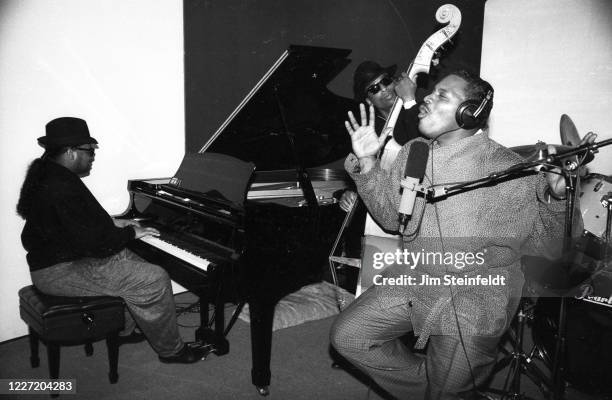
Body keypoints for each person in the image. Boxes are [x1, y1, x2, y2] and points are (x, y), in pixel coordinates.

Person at [330, 70, 596, 399]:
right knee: (350, 335)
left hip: (478, 294)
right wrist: (368, 163)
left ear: (470, 112)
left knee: (450, 383)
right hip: (417, 275)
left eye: (443, 96)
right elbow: (390, 217)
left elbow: (554, 248)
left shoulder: (508, 170)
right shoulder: (415, 152)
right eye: (432, 93)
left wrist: (556, 199)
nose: (426, 98)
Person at [16, 117, 206, 364]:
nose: (92, 157)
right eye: (89, 151)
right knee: (154, 278)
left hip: (63, 257)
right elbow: (95, 244)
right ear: (71, 152)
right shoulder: (60, 185)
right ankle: (172, 351)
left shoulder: (50, 173)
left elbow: (74, 222)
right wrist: (130, 233)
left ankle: (131, 327)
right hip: (58, 271)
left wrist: (116, 223)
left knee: (134, 259)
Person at [339, 61, 422, 213]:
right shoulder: (368, 132)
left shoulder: (419, 110)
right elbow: (361, 174)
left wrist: (409, 102)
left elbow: (423, 147)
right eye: (374, 88)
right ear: (369, 100)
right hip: (388, 206)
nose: (384, 89)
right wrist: (348, 193)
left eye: (386, 81)